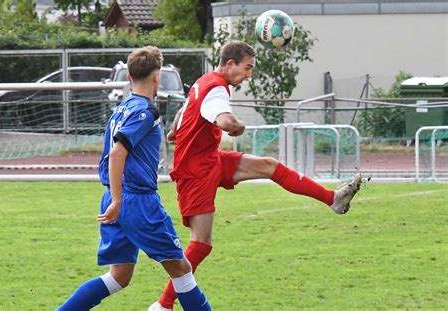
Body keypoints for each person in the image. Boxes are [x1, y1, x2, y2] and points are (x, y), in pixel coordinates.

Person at [148, 40, 363, 311]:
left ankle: (333, 198)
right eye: (247, 68)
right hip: (196, 173)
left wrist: (180, 131)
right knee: (201, 244)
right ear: (229, 64)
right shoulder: (216, 89)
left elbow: (179, 120)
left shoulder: (203, 82)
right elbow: (224, 121)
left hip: (209, 160)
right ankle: (163, 305)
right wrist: (236, 126)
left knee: (268, 165)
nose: (248, 75)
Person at [57, 46, 211, 311]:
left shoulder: (120, 110)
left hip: (114, 196)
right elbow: (117, 154)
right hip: (136, 202)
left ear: (128, 76)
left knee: (120, 276)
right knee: (181, 268)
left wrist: (114, 198)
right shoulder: (146, 112)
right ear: (156, 77)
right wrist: (119, 201)